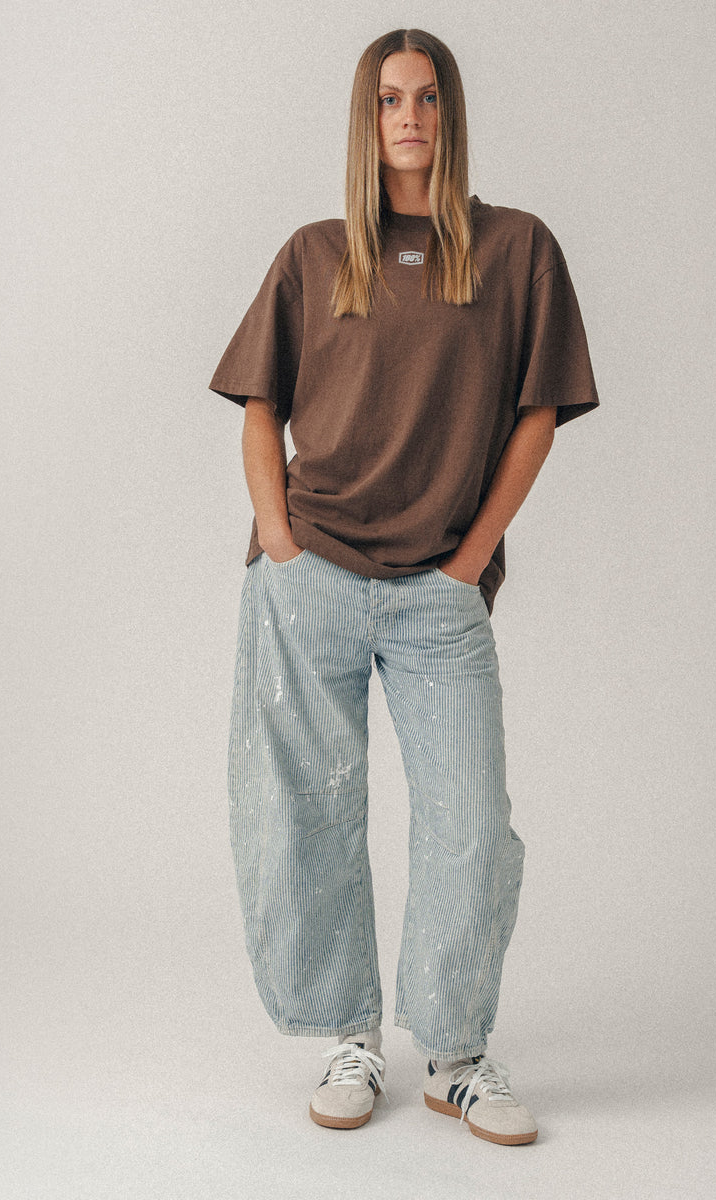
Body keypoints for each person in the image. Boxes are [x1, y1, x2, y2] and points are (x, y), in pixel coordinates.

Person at [208, 28, 599, 1146]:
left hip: (439, 590)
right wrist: (279, 540)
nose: (410, 118)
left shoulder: (516, 250)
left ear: (451, 113)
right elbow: (260, 406)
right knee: (307, 814)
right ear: (366, 117)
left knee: (470, 823)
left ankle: (457, 1053)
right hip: (311, 574)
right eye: (389, 100)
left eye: (427, 98)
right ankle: (350, 1033)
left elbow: (539, 414)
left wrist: (471, 560)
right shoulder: (316, 254)